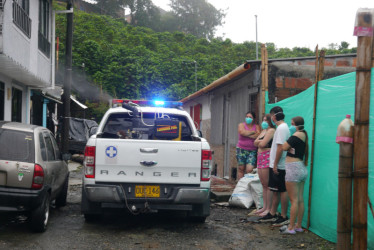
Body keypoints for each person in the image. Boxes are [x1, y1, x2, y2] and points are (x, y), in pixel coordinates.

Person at [259, 106, 290, 226]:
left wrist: (276, 164)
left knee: (282, 190)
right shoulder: (280, 128)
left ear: (274, 116)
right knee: (275, 190)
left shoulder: (282, 128)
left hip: (279, 165)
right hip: (274, 164)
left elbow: (280, 147)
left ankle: (283, 215)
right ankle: (272, 213)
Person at [279, 116, 309, 234]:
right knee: (300, 199)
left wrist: (287, 140)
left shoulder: (296, 136)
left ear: (297, 125)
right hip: (301, 168)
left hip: (293, 169)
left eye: (291, 124)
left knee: (294, 200)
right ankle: (298, 225)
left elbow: (284, 147)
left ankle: (290, 228)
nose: (290, 126)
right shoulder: (304, 135)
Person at [254, 114, 275, 216]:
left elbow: (261, 144)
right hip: (260, 156)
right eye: (263, 120)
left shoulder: (271, 130)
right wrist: (261, 142)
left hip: (267, 156)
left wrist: (260, 142)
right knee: (263, 183)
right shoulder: (263, 131)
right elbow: (255, 142)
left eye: (266, 120)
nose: (264, 122)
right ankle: (264, 206)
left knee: (267, 184)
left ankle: (269, 208)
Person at [236, 111, 260, 180]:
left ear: (253, 119)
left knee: (249, 169)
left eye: (250, 117)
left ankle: (247, 185)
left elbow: (258, 135)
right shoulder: (241, 125)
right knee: (241, 168)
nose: (248, 118)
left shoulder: (257, 126)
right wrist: (252, 132)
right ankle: (240, 186)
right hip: (241, 149)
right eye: (247, 117)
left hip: (252, 150)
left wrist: (247, 134)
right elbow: (242, 132)